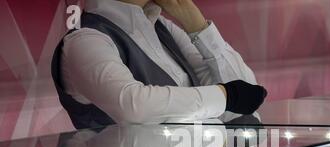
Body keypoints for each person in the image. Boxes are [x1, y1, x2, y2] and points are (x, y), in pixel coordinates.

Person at [52, 0, 267, 129]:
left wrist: (196, 23)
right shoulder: (86, 39)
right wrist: (225, 96)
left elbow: (247, 97)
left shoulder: (162, 27)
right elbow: (133, 106)